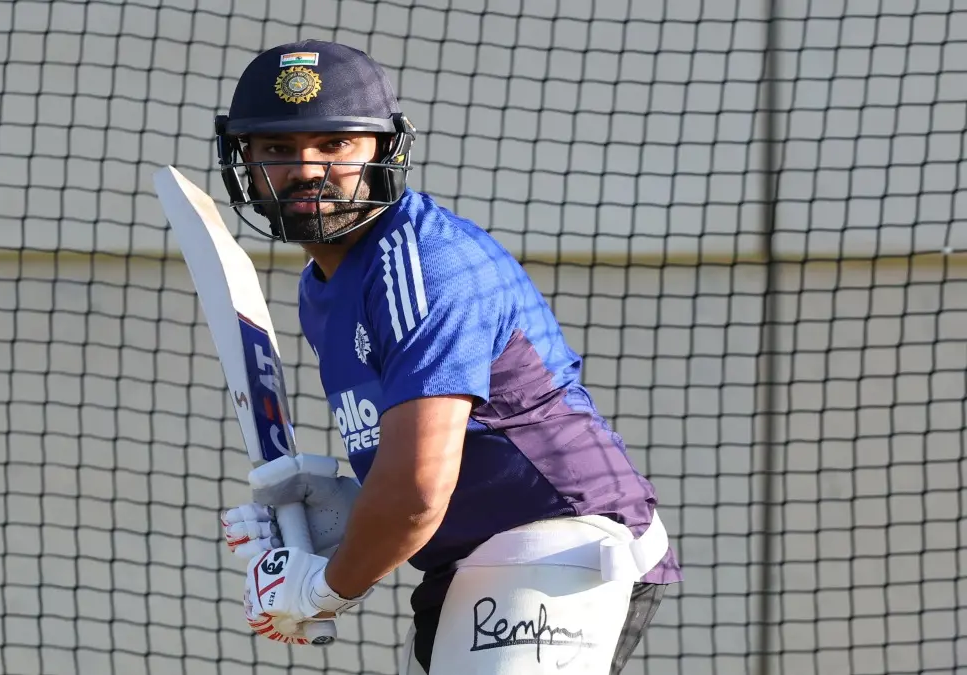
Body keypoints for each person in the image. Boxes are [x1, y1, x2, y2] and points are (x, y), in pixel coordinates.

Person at [214, 39, 682, 675]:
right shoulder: (323, 284)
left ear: (385, 148)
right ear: (243, 157)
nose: (305, 168)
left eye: (336, 144)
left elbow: (415, 492)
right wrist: (348, 509)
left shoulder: (423, 266)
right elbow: (432, 457)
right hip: (466, 562)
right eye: (277, 148)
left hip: (560, 544)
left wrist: (323, 587)